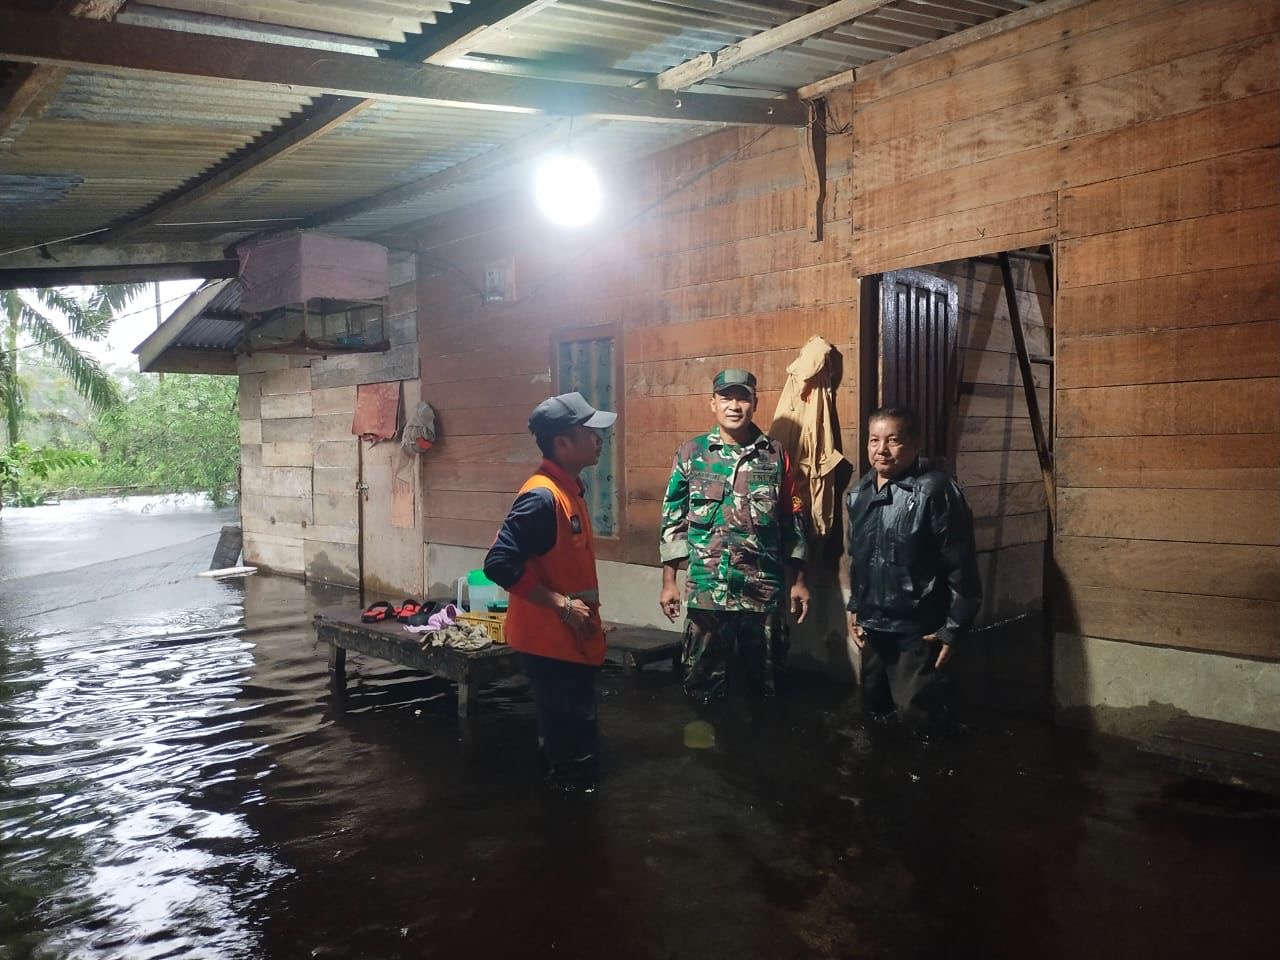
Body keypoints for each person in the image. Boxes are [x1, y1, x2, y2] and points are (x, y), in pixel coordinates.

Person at [484, 392, 616, 792]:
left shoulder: (569, 490)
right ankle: (571, 832)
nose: (599, 439)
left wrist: (585, 611)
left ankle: (564, 826)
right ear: (562, 443)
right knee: (571, 750)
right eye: (589, 432)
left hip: (568, 638)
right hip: (550, 642)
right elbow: (498, 563)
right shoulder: (542, 497)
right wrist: (561, 607)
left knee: (569, 737)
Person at [658, 369, 810, 702]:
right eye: (726, 397)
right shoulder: (691, 453)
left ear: (755, 403)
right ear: (712, 403)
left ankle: (763, 749)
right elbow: (673, 518)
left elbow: (792, 518)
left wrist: (798, 580)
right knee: (702, 688)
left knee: (767, 686)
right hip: (708, 590)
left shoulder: (775, 454)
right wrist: (669, 580)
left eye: (743, 397)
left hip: (762, 591)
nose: (734, 405)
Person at [845, 407, 982, 729]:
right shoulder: (859, 493)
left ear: (915, 443)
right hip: (874, 627)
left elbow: (962, 565)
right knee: (874, 713)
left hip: (919, 631)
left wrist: (955, 627)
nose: (882, 450)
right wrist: (855, 604)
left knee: (920, 719)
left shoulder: (935, 490)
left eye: (893, 440)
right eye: (874, 440)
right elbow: (859, 555)